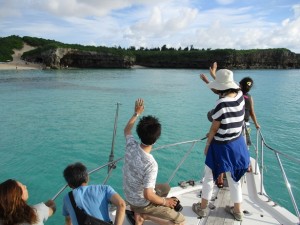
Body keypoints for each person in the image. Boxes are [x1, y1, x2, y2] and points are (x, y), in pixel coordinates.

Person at [192, 69, 250, 221]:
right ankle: (238, 211)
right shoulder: (239, 95)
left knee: (209, 176)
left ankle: (203, 208)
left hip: (220, 145)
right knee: (234, 178)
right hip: (237, 143)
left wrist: (207, 144)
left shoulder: (221, 103)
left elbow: (214, 128)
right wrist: (211, 78)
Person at [122, 98, 185, 225]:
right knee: (181, 221)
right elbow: (148, 195)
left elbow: (127, 130)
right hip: (141, 203)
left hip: (128, 196)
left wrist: (136, 113)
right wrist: (165, 202)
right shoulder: (151, 164)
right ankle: (144, 216)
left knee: (165, 187)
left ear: (139, 134)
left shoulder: (131, 145)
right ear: (156, 140)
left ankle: (138, 214)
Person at [239, 77, 260, 146]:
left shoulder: (236, 95)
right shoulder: (250, 97)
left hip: (237, 122)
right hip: (247, 123)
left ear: (241, 85)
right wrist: (256, 124)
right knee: (246, 140)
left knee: (237, 140)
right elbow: (252, 112)